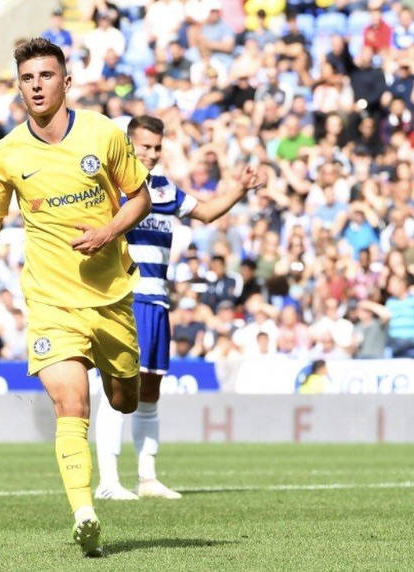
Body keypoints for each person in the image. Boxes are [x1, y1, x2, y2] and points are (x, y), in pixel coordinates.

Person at [0, 38, 152, 558]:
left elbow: (141, 197)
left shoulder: (103, 134)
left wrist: (109, 230)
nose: (37, 85)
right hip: (51, 302)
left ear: (67, 82)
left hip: (111, 296)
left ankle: (122, 392)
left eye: (46, 75)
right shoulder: (8, 154)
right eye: (28, 78)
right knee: (71, 402)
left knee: (123, 399)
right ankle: (84, 513)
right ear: (19, 87)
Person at [95, 115, 267, 501]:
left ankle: (147, 477)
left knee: (150, 389)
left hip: (157, 300)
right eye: (145, 146)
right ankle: (107, 481)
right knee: (117, 391)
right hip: (125, 298)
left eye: (157, 147)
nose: (152, 154)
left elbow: (204, 212)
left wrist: (239, 189)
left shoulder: (162, 188)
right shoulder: (110, 186)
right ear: (128, 145)